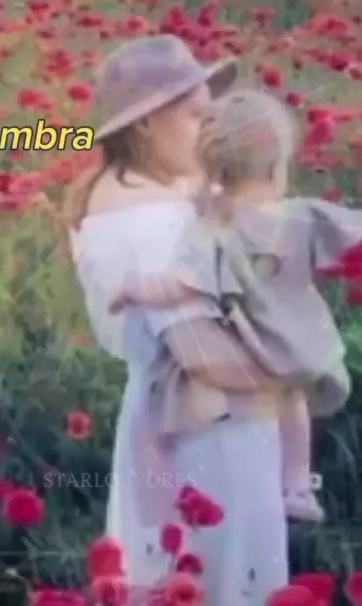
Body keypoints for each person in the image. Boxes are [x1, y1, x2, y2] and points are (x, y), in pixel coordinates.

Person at [66, 34, 289, 605]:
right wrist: (295, 373)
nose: (211, 131)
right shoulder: (155, 223)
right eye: (196, 117)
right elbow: (202, 355)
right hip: (209, 441)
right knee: (215, 582)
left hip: (168, 425)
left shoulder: (126, 197)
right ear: (145, 124)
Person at [109, 89, 362, 525]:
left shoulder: (215, 226)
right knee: (294, 398)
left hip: (253, 345)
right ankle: (298, 486)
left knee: (279, 399)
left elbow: (178, 288)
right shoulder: (301, 215)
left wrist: (132, 289)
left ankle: (280, 485)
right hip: (302, 341)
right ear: (276, 165)